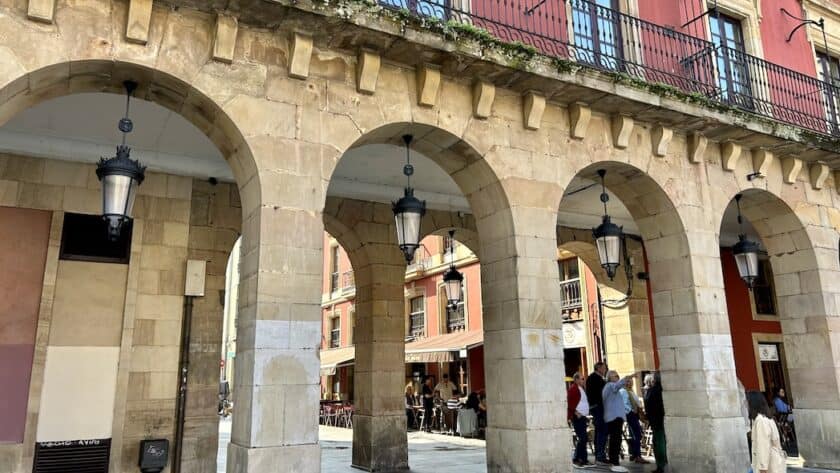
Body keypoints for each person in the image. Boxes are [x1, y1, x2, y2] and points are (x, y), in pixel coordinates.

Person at [748, 390, 786, 473]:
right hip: (774, 463)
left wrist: (762, 468)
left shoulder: (761, 421)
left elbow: (763, 445)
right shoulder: (767, 418)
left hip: (769, 466)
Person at [602, 370, 631, 472]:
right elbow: (617, 385)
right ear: (610, 377)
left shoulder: (611, 387)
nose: (618, 377)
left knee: (616, 439)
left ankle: (614, 460)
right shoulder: (610, 386)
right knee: (615, 439)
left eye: (618, 376)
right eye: (616, 376)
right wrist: (628, 377)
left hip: (616, 417)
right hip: (614, 418)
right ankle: (614, 461)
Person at [567, 372, 594, 468]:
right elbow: (569, 402)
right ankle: (576, 459)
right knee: (583, 438)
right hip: (577, 417)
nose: (584, 380)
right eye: (582, 379)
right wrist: (576, 412)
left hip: (582, 417)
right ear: (576, 379)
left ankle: (583, 459)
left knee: (584, 438)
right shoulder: (573, 389)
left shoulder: (581, 388)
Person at [644, 372, 668, 473]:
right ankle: (663, 465)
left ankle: (660, 465)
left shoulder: (650, 391)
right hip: (661, 420)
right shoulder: (663, 391)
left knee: (658, 442)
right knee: (661, 442)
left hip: (654, 420)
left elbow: (647, 407)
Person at [620, 377, 647, 464]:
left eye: (631, 381)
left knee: (635, 434)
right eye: (628, 381)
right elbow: (624, 404)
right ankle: (637, 455)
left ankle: (634, 455)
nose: (630, 383)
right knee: (636, 435)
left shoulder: (631, 391)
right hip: (631, 415)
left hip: (634, 414)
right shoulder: (624, 391)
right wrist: (632, 411)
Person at [586, 362, 609, 463]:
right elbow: (601, 393)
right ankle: (600, 454)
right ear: (598, 368)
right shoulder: (595, 378)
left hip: (597, 407)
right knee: (602, 430)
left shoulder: (594, 378)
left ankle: (599, 453)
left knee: (600, 431)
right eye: (604, 368)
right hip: (598, 408)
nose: (605, 370)